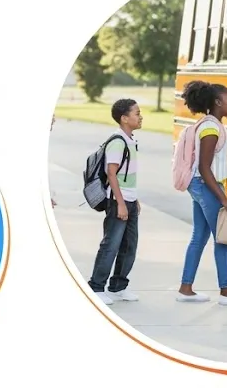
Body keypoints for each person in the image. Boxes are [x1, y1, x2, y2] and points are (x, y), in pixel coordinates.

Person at [176, 80, 227, 307]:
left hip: (200, 185)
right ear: (217, 102)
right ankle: (226, 293)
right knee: (222, 238)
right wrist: (223, 198)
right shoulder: (210, 128)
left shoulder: (209, 124)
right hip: (206, 185)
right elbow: (204, 166)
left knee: (200, 236)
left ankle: (185, 288)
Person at [88, 98, 142, 305]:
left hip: (129, 199)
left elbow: (127, 175)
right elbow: (111, 173)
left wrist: (134, 199)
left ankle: (118, 286)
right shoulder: (118, 142)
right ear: (124, 118)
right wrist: (120, 203)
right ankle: (96, 286)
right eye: (136, 113)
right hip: (116, 200)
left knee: (130, 246)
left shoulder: (131, 140)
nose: (140, 117)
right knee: (111, 244)